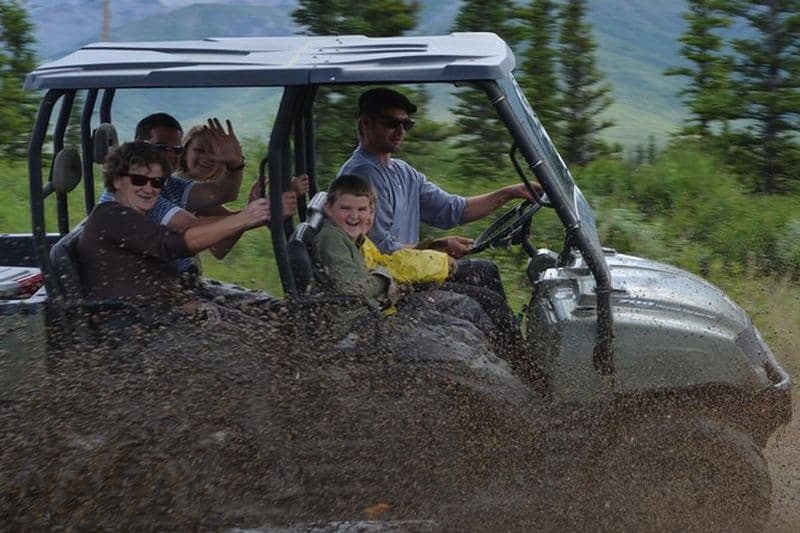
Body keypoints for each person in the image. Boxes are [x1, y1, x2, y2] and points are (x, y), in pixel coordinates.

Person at [338, 87, 541, 296]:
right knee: (485, 294)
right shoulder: (361, 176)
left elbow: (453, 210)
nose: (401, 131)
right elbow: (379, 250)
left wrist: (510, 192)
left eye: (406, 124)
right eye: (392, 123)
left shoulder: (402, 171)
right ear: (366, 124)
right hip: (389, 284)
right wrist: (437, 247)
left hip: (411, 271)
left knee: (485, 272)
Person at [78, 141, 269, 309]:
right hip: (133, 329)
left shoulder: (136, 217)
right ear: (116, 180)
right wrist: (247, 216)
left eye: (156, 182)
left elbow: (157, 276)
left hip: (157, 315)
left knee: (265, 313)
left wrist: (185, 302)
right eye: (139, 180)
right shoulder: (110, 215)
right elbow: (174, 243)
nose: (148, 188)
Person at [176, 124, 309, 259]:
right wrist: (265, 208)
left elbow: (221, 247)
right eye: (199, 150)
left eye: (214, 153)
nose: (207, 157)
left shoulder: (202, 197)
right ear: (184, 152)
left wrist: (256, 209)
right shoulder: (178, 187)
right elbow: (226, 194)